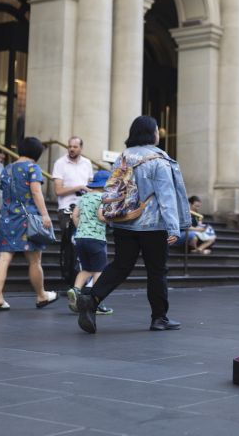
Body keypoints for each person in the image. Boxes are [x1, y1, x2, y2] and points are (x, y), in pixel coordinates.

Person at [75, 116, 191, 334]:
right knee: (157, 271)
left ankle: (91, 298)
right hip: (153, 225)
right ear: (151, 133)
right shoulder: (159, 159)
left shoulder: (123, 158)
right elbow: (166, 196)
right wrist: (174, 227)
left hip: (124, 222)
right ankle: (159, 318)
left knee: (120, 265)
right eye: (157, 129)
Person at [0, 137, 57, 311]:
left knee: (4, 257)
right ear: (37, 153)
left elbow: (4, 191)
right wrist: (45, 215)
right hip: (28, 219)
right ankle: (41, 295)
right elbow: (35, 191)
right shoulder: (33, 168)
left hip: (7, 218)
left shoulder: (7, 168)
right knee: (35, 261)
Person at [65, 170, 113, 315]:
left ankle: (75, 290)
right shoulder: (103, 198)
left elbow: (74, 215)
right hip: (96, 239)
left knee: (86, 269)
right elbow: (100, 215)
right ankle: (96, 302)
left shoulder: (84, 197)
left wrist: (81, 228)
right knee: (99, 270)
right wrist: (110, 218)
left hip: (80, 238)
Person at [52, 136, 93, 223]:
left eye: (75, 147)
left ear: (81, 148)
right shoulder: (60, 163)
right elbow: (58, 191)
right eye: (70, 146)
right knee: (67, 236)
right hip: (66, 208)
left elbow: (91, 185)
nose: (71, 149)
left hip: (84, 208)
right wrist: (77, 188)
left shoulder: (87, 163)